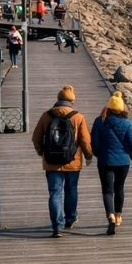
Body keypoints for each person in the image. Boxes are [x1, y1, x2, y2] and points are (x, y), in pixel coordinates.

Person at [31, 85, 94, 237]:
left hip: (51, 161)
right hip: (72, 161)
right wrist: (88, 155)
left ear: (58, 99)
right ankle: (70, 218)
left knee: (55, 193)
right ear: (72, 101)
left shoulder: (46, 116)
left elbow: (36, 138)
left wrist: (42, 153)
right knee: (71, 190)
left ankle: (57, 225)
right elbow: (85, 140)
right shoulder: (77, 117)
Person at [90, 92, 132, 236]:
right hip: (123, 161)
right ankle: (118, 216)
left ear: (108, 108)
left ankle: (109, 216)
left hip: (105, 161)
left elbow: (94, 142)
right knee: (120, 188)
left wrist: (97, 153)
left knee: (107, 190)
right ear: (122, 108)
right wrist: (130, 151)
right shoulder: (127, 122)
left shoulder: (99, 121)